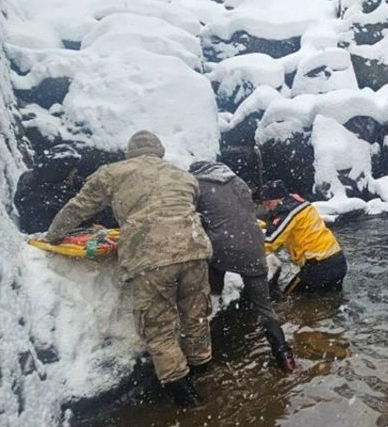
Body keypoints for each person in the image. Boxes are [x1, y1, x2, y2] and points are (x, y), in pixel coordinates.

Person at [43, 130, 213, 408]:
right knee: (195, 313)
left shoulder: (112, 173)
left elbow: (79, 207)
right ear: (159, 151)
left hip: (151, 257)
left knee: (158, 327)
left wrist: (53, 235)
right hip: (194, 250)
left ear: (129, 153)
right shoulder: (183, 175)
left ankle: (186, 396)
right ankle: (203, 369)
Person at [189, 160, 296, 372]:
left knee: (213, 285)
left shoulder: (197, 185)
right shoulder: (238, 182)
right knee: (265, 308)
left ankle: (212, 346)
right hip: (254, 248)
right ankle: (284, 357)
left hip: (222, 249)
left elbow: (192, 218)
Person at [261, 180, 348, 293]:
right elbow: (282, 229)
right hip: (338, 260)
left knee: (290, 299)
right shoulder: (298, 203)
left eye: (268, 203)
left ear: (278, 200)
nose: (267, 209)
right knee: (331, 300)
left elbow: (271, 241)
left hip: (319, 266)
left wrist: (245, 253)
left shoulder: (287, 212)